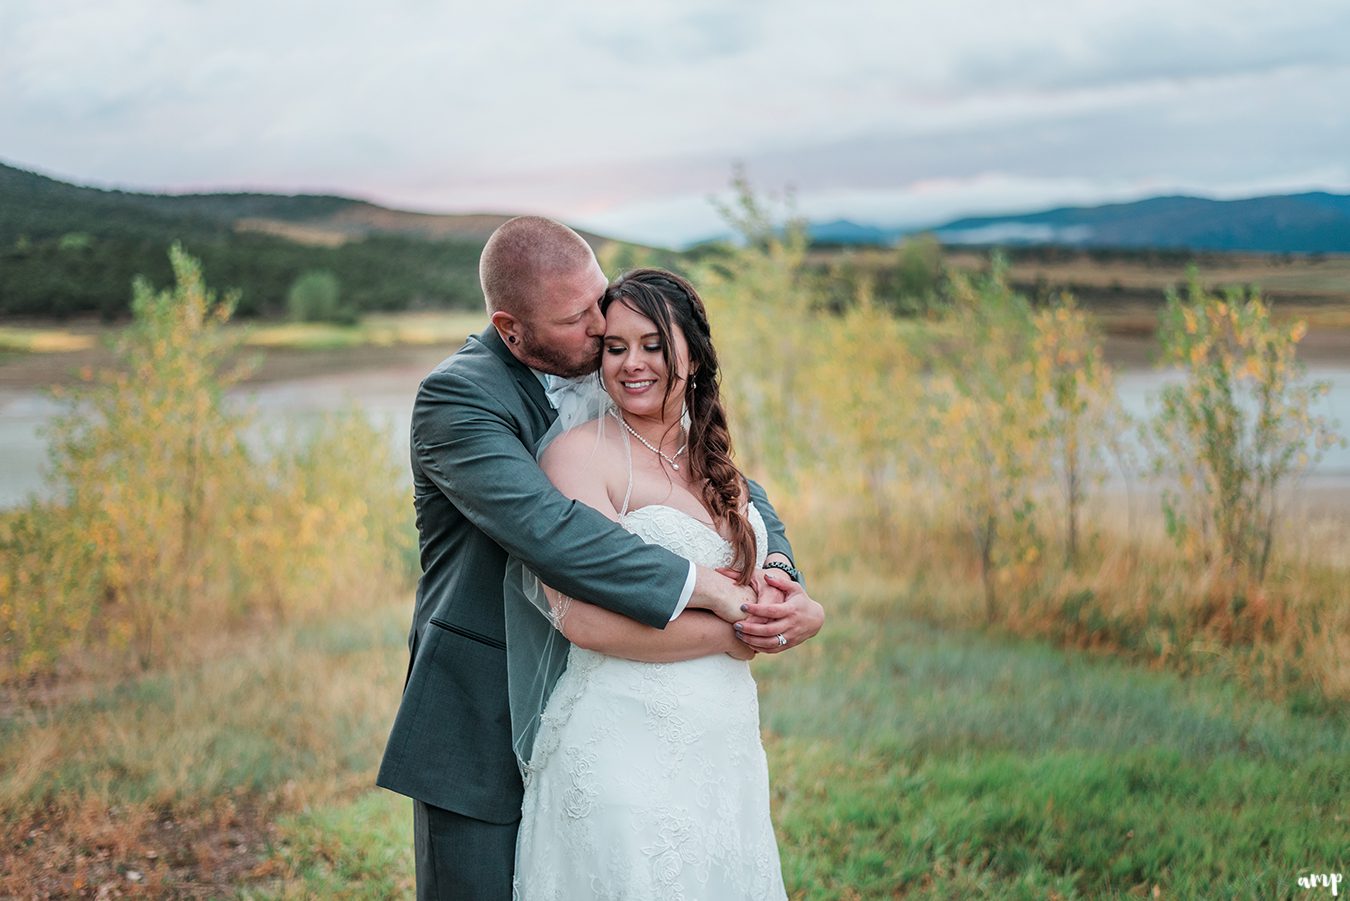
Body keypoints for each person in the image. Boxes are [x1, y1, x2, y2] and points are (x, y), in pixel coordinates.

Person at [375, 217, 823, 900]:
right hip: (483, 709)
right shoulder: (458, 397)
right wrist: (716, 594)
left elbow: (718, 480)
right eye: (578, 317)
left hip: (629, 711)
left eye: (599, 300)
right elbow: (554, 532)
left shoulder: (602, 363)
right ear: (511, 327)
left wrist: (780, 569)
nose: (601, 323)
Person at [512, 268, 804, 899]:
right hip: (622, 750)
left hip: (723, 745)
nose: (631, 364)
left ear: (693, 355)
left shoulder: (715, 461)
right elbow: (582, 621)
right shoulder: (578, 457)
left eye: (653, 345)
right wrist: (730, 636)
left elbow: (764, 566)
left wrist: (797, 607)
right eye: (615, 348)